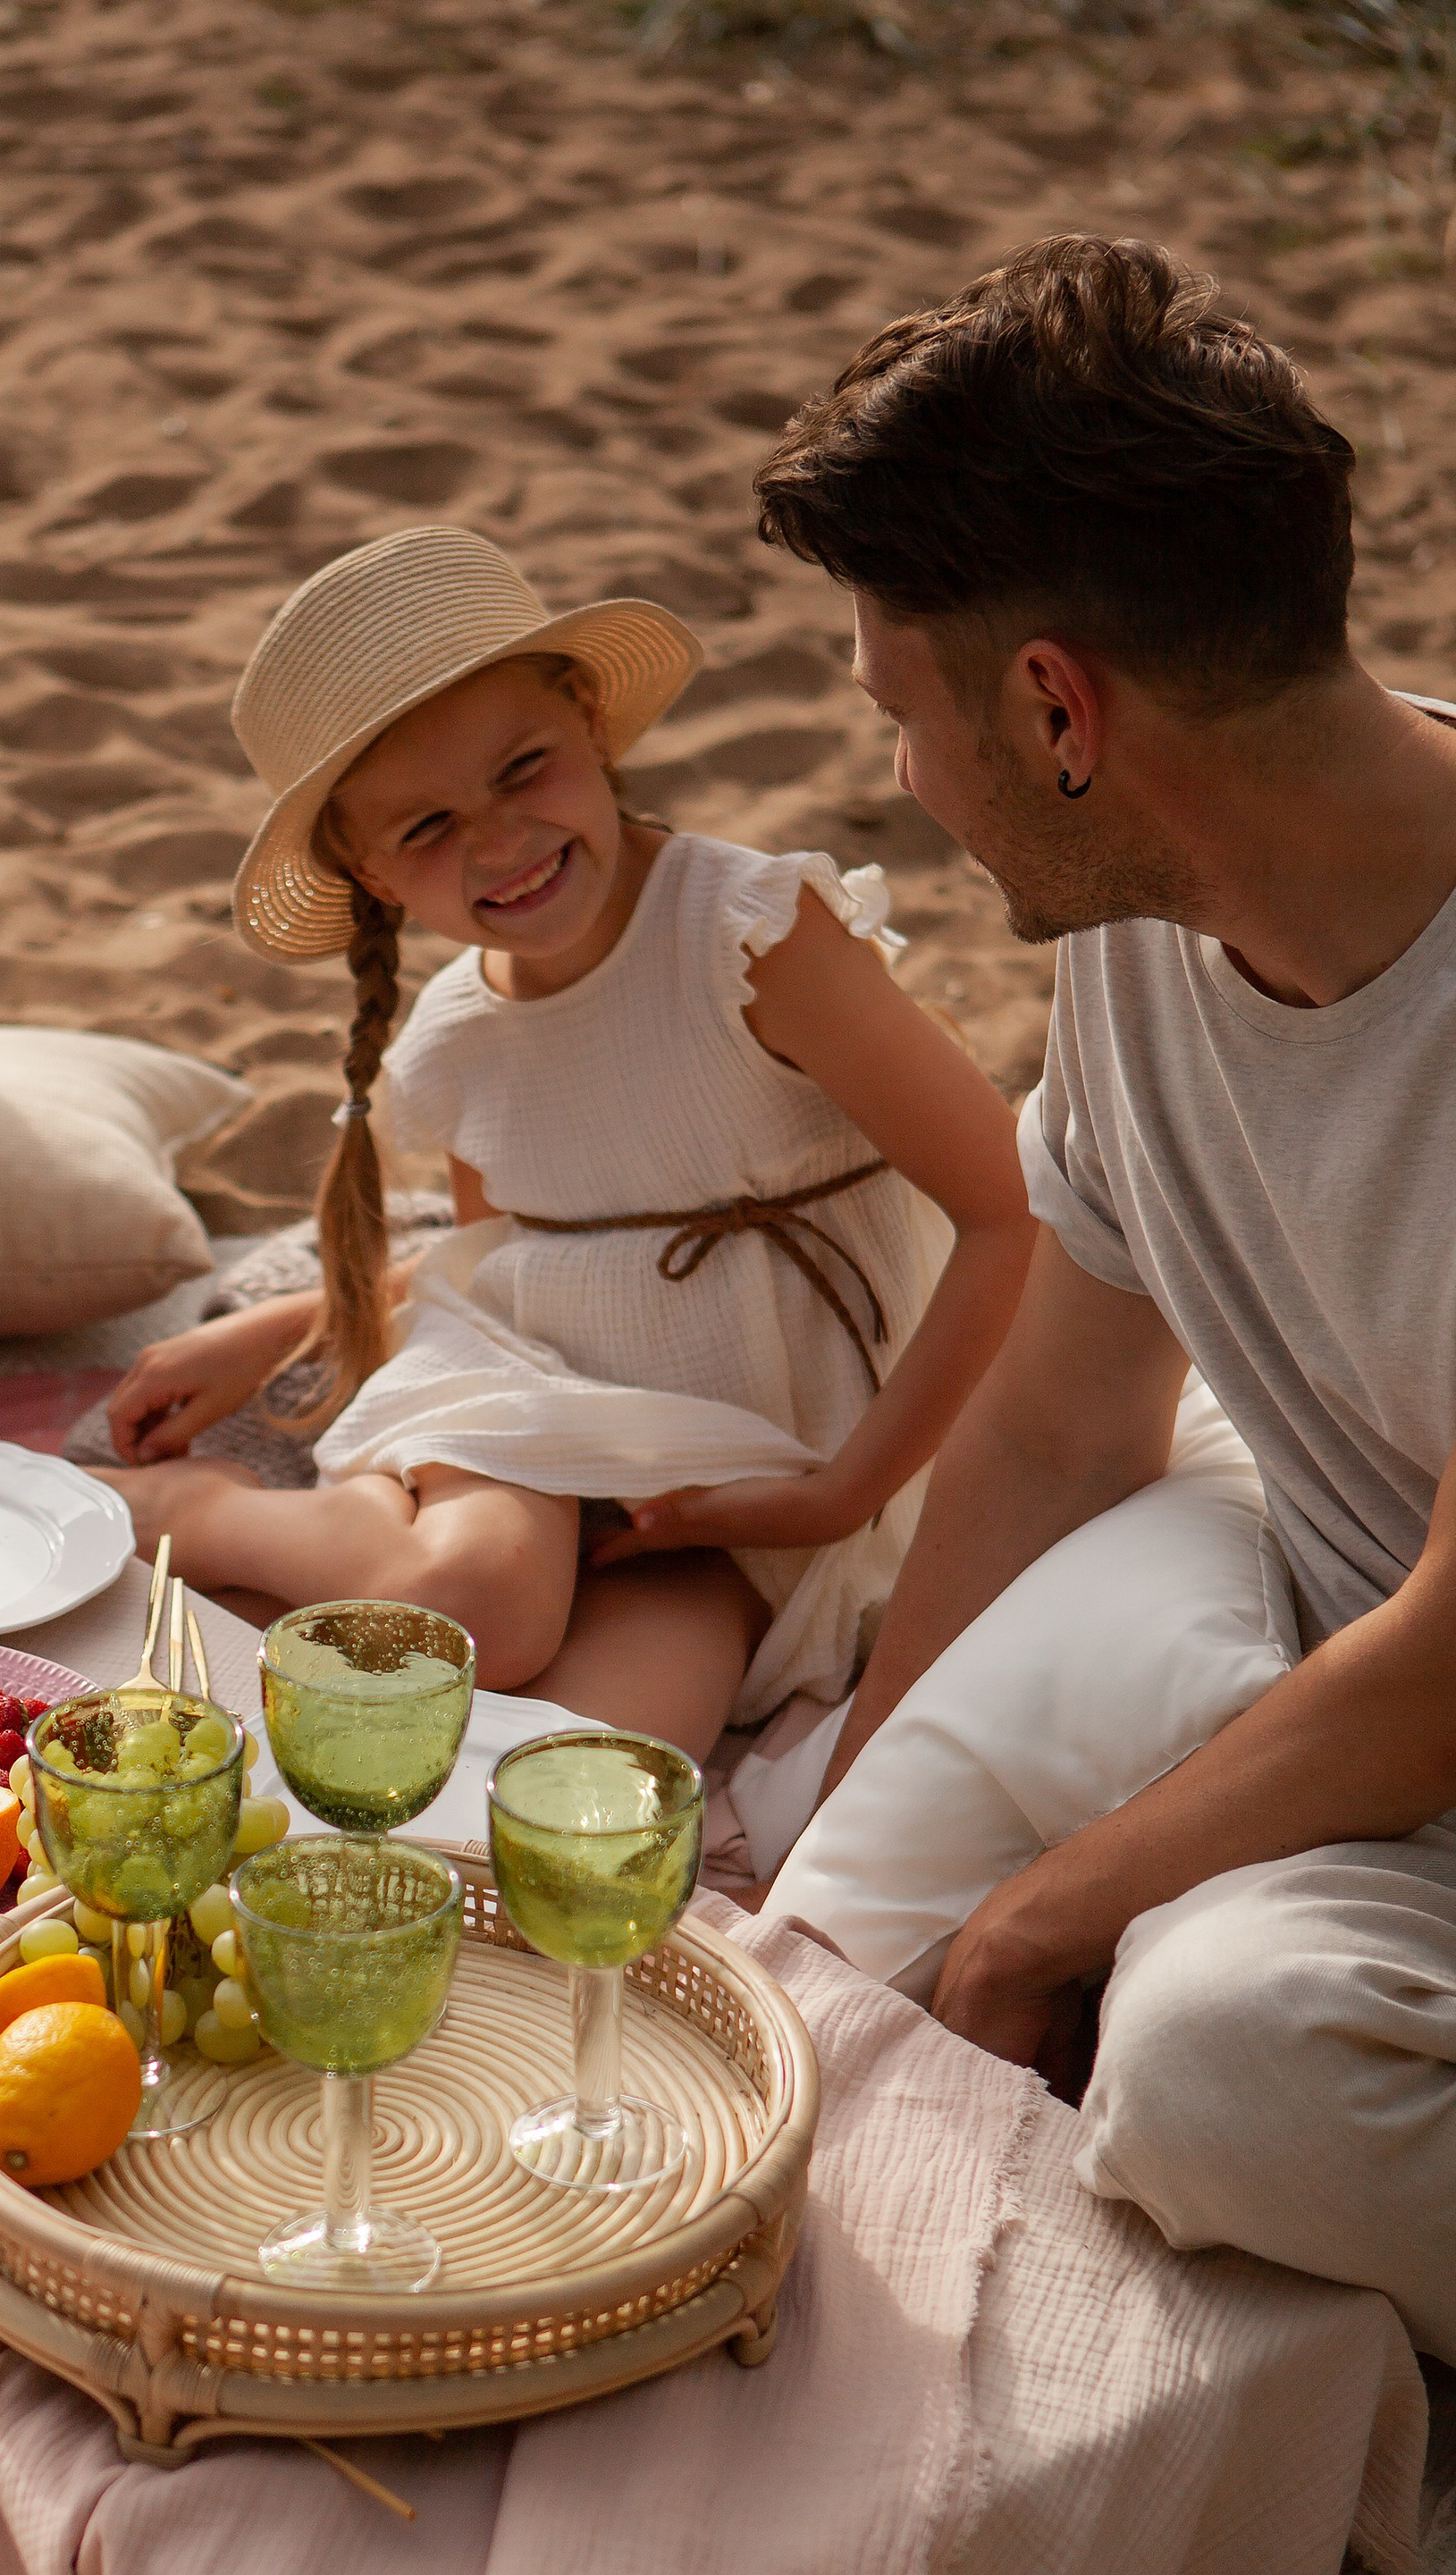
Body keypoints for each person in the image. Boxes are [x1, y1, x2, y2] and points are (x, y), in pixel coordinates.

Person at [755, 234, 1456, 2362]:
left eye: (900, 713)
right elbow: (1060, 1424)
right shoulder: (1147, 916)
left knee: (1213, 2071)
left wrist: (1033, 1928)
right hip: (1340, 1641)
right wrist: (859, 1801)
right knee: (801, 1966)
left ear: (1056, 711)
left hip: (1419, 1684)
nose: (900, 776)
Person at [97, 525, 1031, 1758]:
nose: (498, 843)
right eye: (426, 828)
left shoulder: (751, 937)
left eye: (523, 769)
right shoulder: (456, 1037)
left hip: (736, 1474)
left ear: (591, 724)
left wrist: (838, 1494)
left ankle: (328, 1555)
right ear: (371, 876)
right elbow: (510, 1270)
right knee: (473, 1606)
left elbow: (1011, 1212)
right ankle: (195, 1511)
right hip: (532, 1417)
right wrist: (290, 1329)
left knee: (592, 1767)